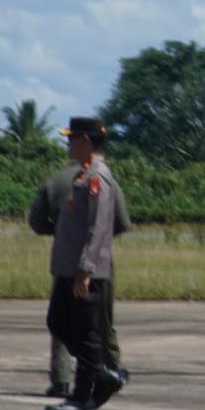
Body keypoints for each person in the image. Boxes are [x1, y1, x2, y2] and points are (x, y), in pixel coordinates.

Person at [44, 117, 128, 410]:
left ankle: (86, 393)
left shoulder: (98, 178)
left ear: (87, 142)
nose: (68, 144)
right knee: (60, 323)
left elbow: (100, 227)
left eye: (72, 138)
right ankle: (100, 376)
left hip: (82, 273)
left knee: (82, 331)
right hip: (69, 269)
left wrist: (86, 269)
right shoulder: (83, 175)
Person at [30, 157, 130, 396]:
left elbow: (36, 222)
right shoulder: (107, 178)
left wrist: (62, 232)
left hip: (66, 260)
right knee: (101, 319)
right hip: (98, 261)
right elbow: (121, 221)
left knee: (62, 320)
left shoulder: (55, 180)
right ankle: (110, 370)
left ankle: (61, 379)